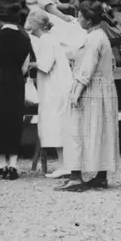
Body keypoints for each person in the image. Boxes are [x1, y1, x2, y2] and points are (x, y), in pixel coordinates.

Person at [58, 2, 120, 192]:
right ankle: (100, 176)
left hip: (93, 91)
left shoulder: (94, 38)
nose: (78, 20)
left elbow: (87, 68)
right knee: (101, 132)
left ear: (89, 20)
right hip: (103, 90)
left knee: (79, 131)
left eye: (80, 17)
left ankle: (77, 176)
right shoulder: (101, 36)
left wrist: (76, 92)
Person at [0, 8, 33, 180]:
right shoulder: (25, 39)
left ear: (0, 20)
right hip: (16, 80)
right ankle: (13, 165)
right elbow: (25, 65)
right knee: (14, 119)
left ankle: (0, 165)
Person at [25, 9, 73, 179]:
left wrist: (27, 64)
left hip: (55, 90)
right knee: (58, 124)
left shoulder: (46, 40)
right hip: (56, 88)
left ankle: (64, 164)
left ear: (35, 24)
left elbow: (45, 65)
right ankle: (64, 163)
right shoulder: (49, 39)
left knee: (56, 125)